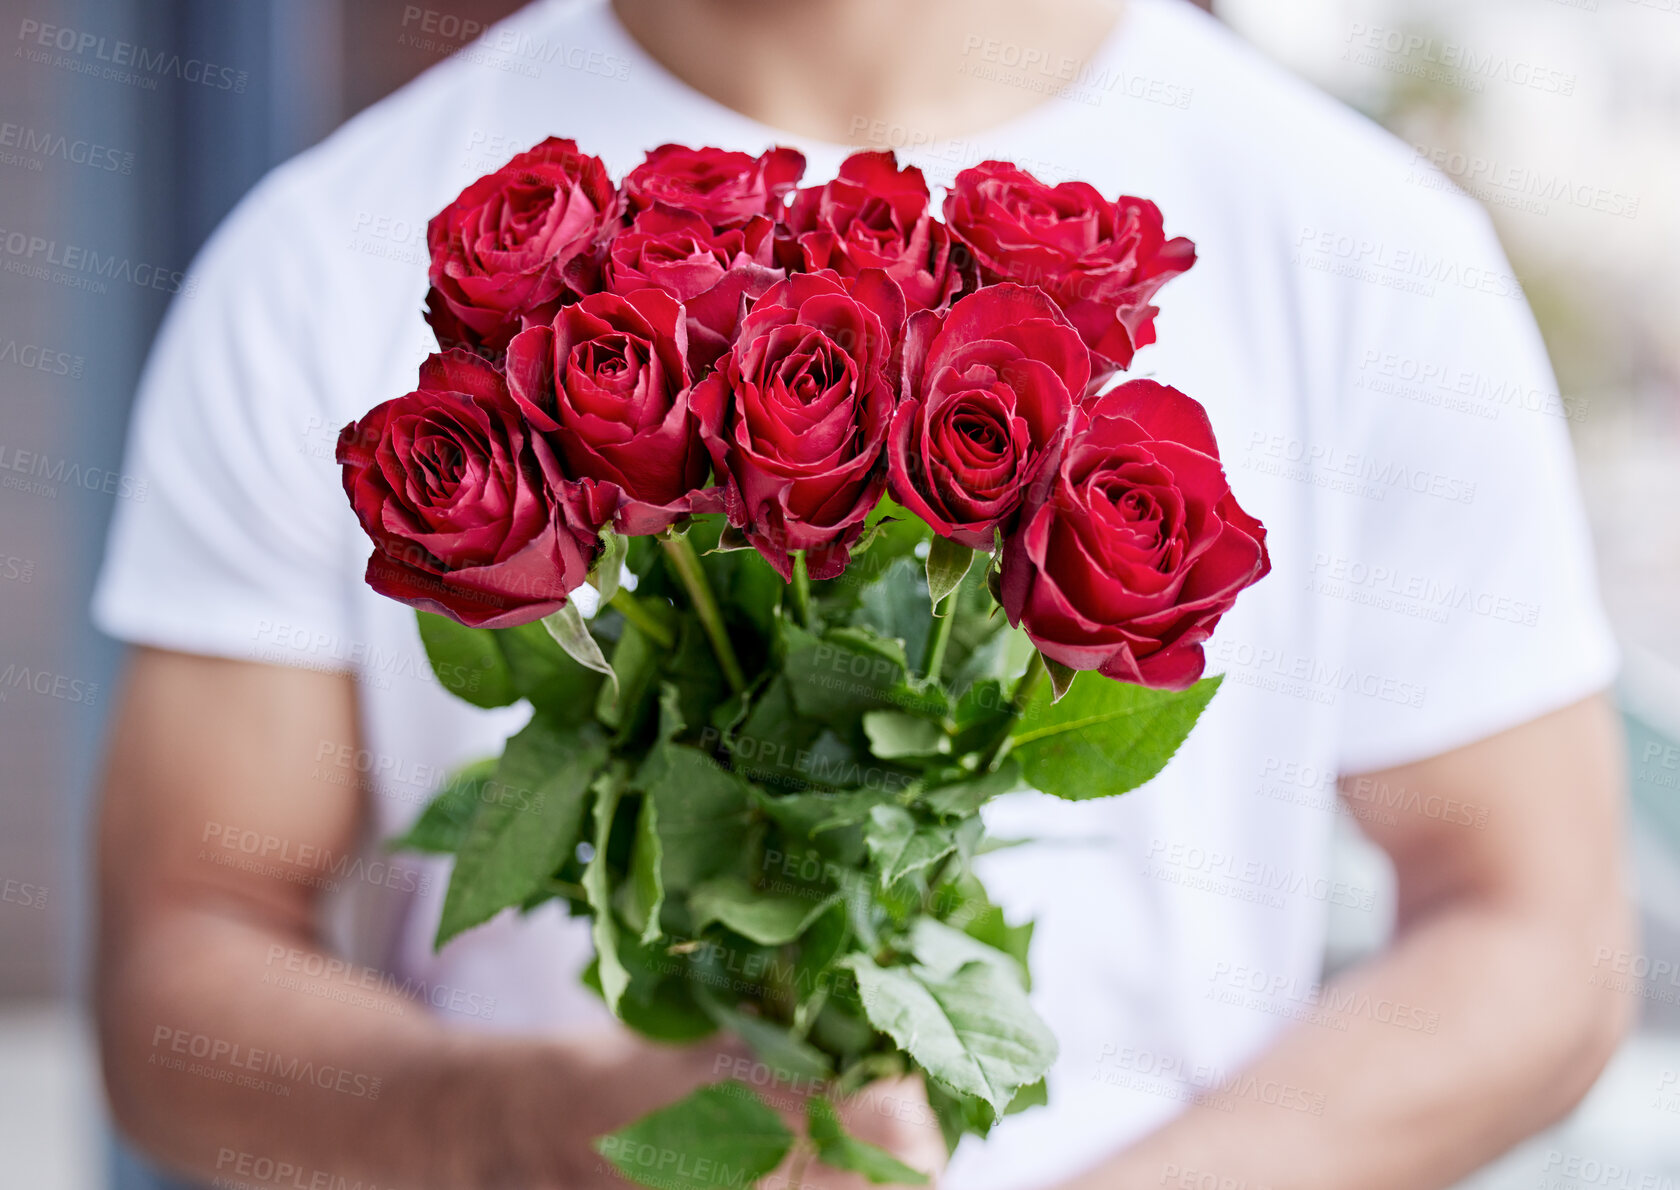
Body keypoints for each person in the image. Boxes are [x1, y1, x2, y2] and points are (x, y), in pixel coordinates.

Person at [91, 0, 1633, 1187]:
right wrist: (531, 1129)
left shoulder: (1366, 245)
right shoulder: (323, 252)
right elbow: (182, 956)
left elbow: (1543, 935)